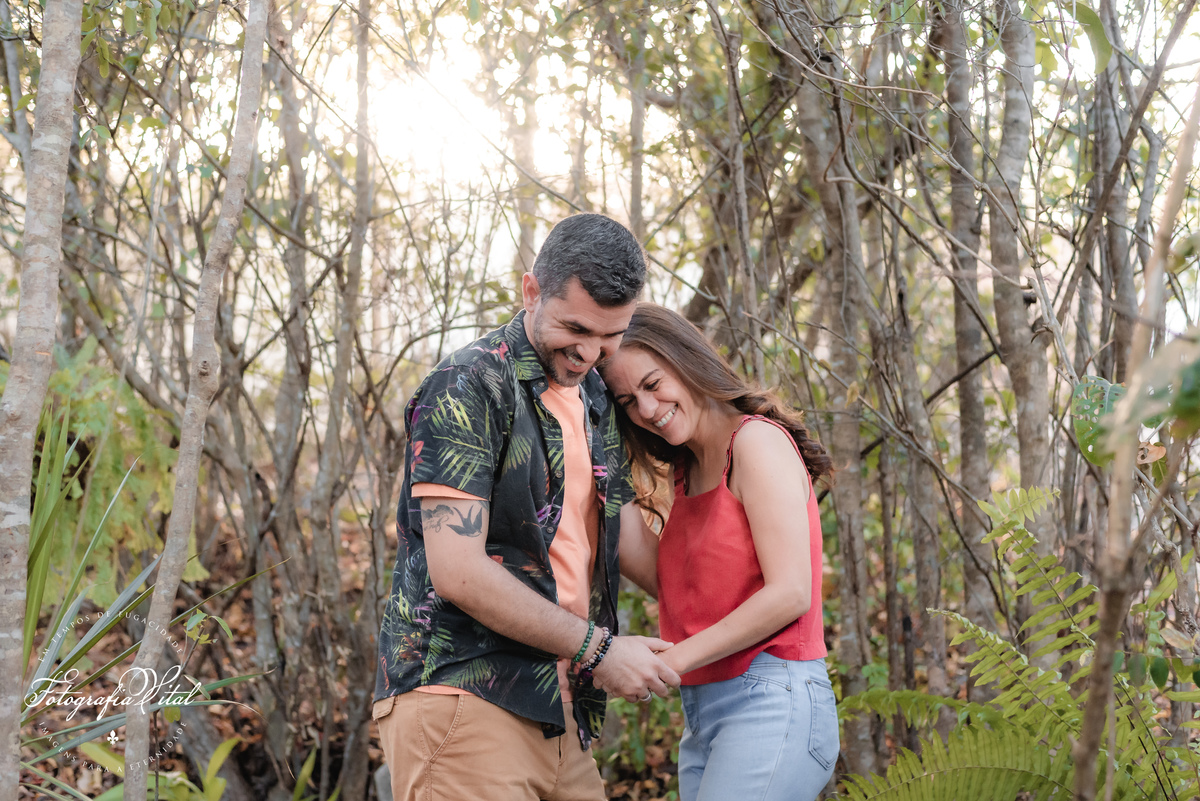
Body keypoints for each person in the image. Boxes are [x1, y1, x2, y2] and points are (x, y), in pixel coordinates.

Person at [373, 214, 681, 801]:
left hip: (558, 707)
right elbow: (458, 570)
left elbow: (631, 547)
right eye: (575, 328)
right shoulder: (469, 386)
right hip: (463, 701)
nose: (590, 352)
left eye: (609, 336)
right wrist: (600, 649)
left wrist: (752, 607)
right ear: (532, 291)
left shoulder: (593, 395)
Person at [599, 303, 840, 801]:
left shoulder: (754, 442)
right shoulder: (689, 471)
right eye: (626, 402)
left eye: (652, 384)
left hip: (773, 699)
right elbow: (666, 582)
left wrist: (668, 662)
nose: (645, 410)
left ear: (685, 359)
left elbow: (791, 592)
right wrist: (597, 463)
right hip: (706, 713)